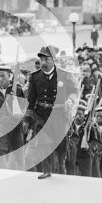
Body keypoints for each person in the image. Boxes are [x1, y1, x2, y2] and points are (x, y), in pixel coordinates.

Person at [23, 45, 78, 179]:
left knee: (60, 144)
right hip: (41, 115)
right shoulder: (34, 77)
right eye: (41, 59)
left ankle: (61, 166)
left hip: (59, 115)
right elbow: (31, 100)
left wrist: (70, 100)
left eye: (46, 59)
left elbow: (74, 91)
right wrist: (27, 120)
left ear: (53, 60)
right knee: (42, 143)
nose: (43, 63)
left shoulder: (65, 74)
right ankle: (47, 170)